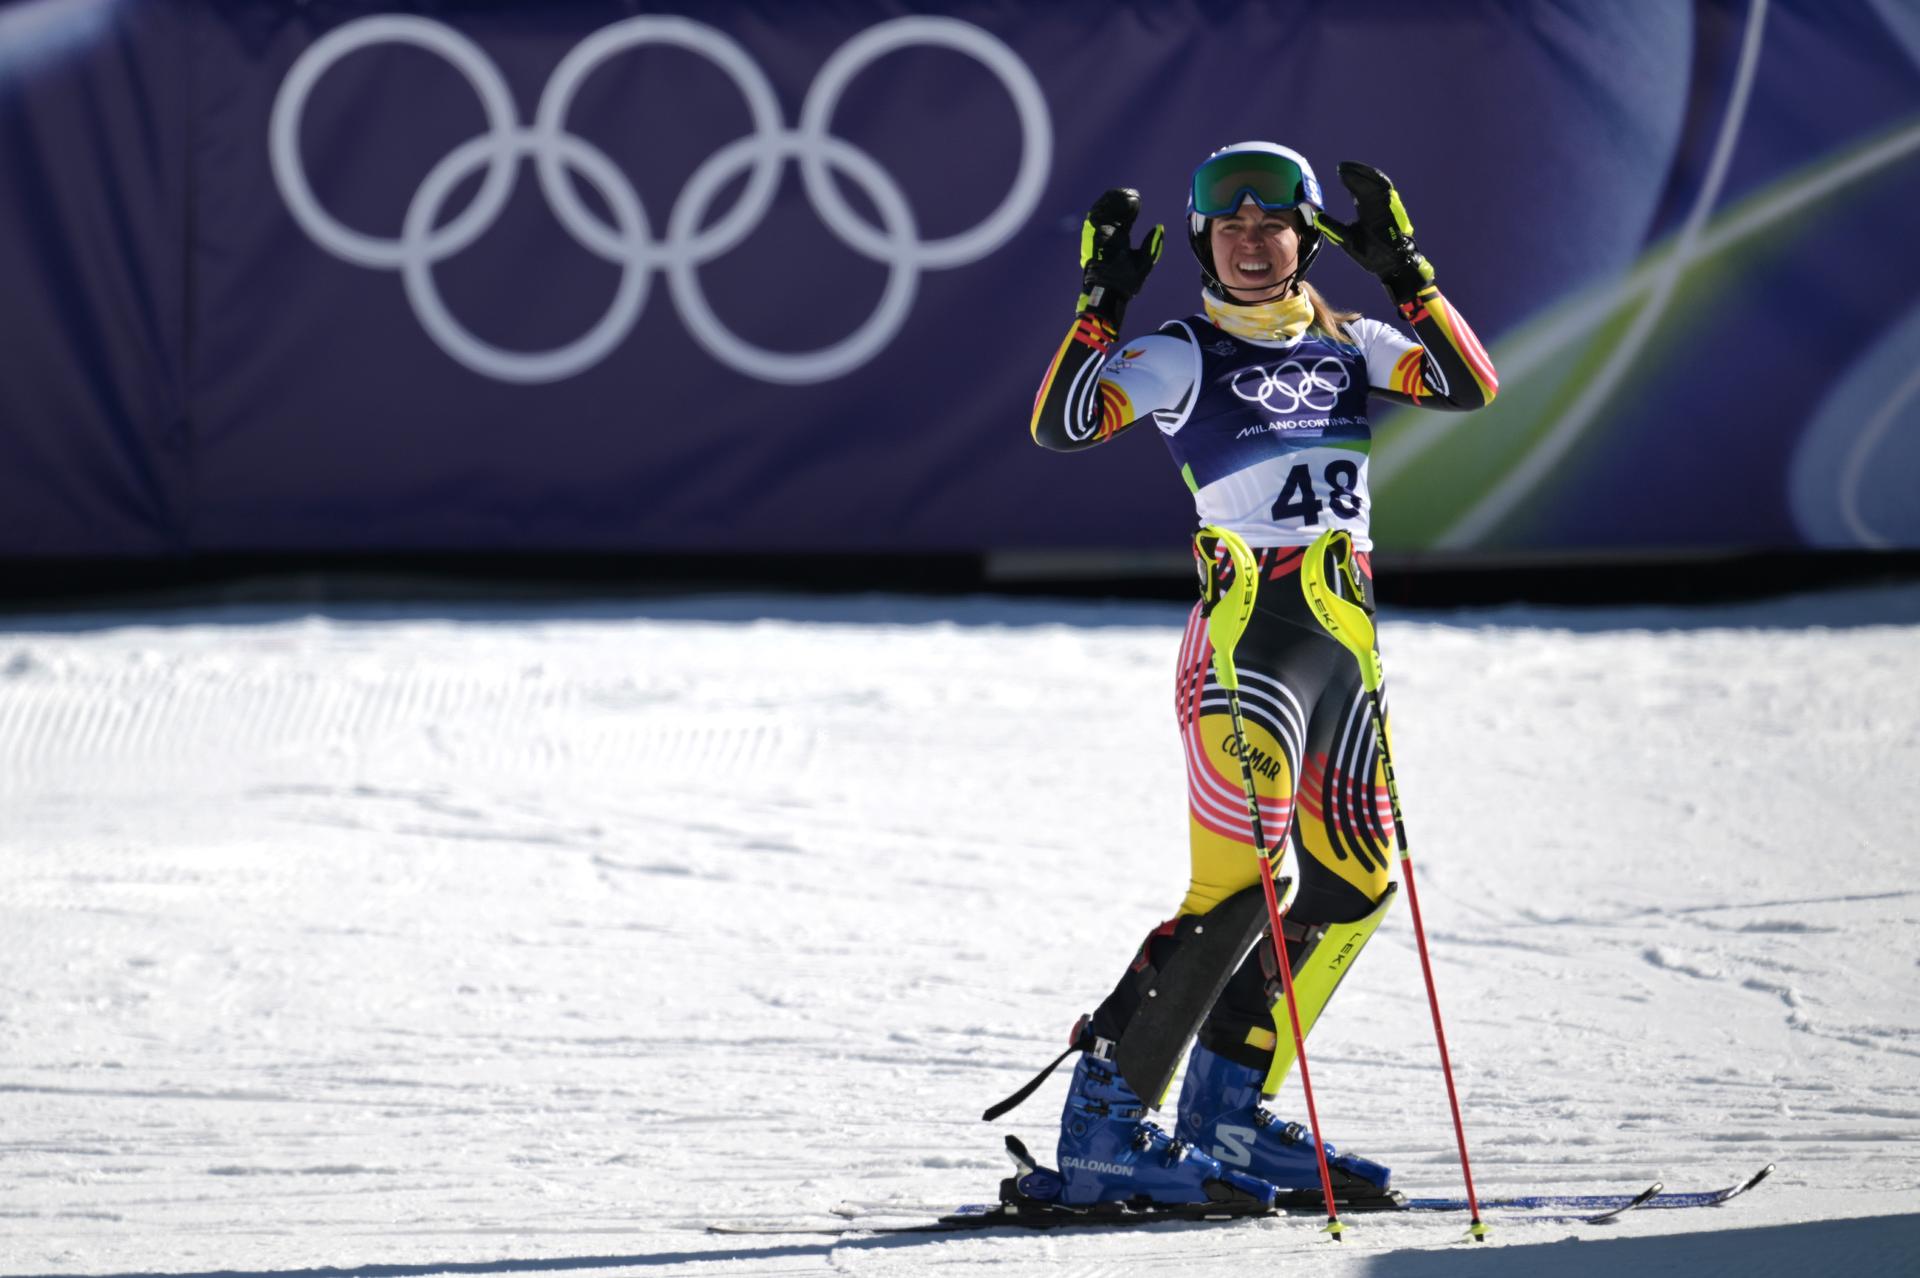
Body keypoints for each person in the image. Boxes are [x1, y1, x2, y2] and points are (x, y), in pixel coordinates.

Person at [1009, 142, 1499, 1210]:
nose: (1247, 240)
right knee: (1236, 891)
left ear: (1307, 237)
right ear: (1200, 242)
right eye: (1226, 227)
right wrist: (1100, 305)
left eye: (1271, 224)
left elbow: (1469, 383)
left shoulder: (1349, 341)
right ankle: (1103, 1130)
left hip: (1343, 654)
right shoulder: (1181, 351)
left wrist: (1407, 273)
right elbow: (1063, 423)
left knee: (1353, 884)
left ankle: (1228, 1114)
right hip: (1246, 650)